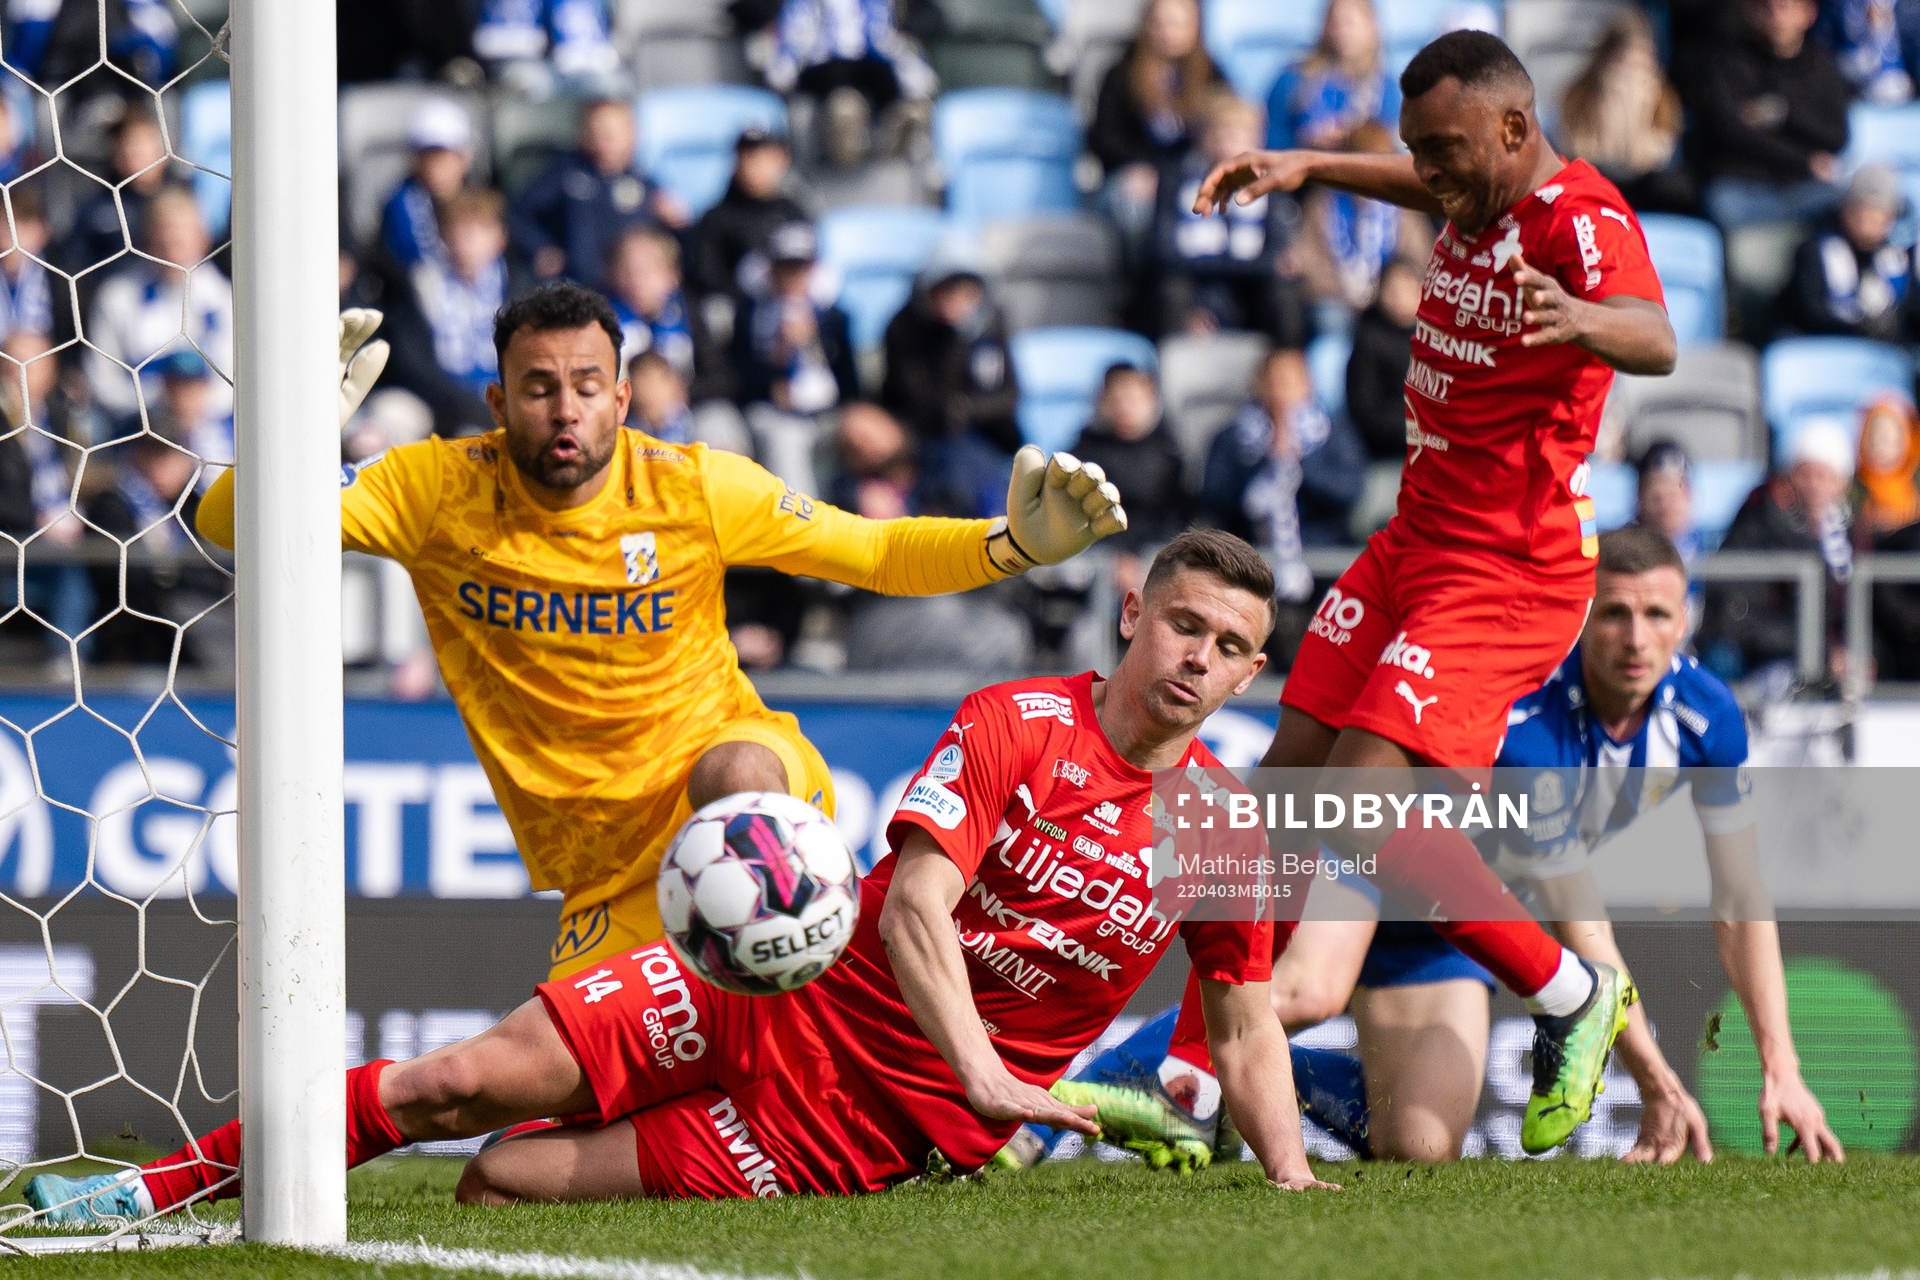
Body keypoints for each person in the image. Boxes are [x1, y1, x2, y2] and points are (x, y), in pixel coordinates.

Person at [26, 530, 1338, 1222]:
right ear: (1132, 612)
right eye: (1184, 622)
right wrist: (993, 1075)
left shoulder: (1221, 824)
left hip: (856, 1127)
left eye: (1230, 647)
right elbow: (918, 911)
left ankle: (544, 1140)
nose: (1199, 657)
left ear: (1247, 673)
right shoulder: (1016, 723)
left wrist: (1289, 1175)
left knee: (497, 1185)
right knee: (449, 1083)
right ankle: (140, 1192)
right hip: (773, 987)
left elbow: (1243, 1019)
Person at [1080, 29, 1679, 1162]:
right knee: (1277, 797)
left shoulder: (1582, 220)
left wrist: (1581, 321)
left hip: (1506, 572)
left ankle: (1571, 991)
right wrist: (1309, 164)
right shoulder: (1472, 185)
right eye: (1418, 151)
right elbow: (1421, 179)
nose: (1429, 173)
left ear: (1514, 128)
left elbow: (1656, 336)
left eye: (1444, 149)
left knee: (1354, 810)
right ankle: (1191, 1076)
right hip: (1413, 545)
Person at [184, 284, 1125, 978]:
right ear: (498, 405)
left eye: (587, 386)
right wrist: (287, 438)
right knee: (516, 1139)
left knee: (735, 771)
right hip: (602, 875)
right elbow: (229, 523)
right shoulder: (432, 489)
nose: (565, 410)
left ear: (623, 398)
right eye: (538, 388)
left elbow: (873, 551)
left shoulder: (692, 487)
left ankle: (830, 1012)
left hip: (732, 787)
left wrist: (1010, 546)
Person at [1047, 528, 1843, 1168]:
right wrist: (1657, 1082)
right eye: (1613, 614)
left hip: (1455, 926)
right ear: (1581, 616)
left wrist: (1783, 1067)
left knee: (1421, 1147)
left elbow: (1742, 899)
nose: (1636, 638)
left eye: (1658, 615)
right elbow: (1580, 925)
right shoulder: (1532, 720)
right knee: (1303, 990)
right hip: (1369, 856)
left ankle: (1244, 1093)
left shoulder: (1707, 717)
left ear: (1687, 618)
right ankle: (1071, 1103)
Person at [1201, 345, 1365, 618]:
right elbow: (1215, 496)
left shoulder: (1333, 435)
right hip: (1252, 559)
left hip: (1322, 559)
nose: (1282, 391)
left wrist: (1299, 464)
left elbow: (1348, 492)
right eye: (1274, 381)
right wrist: (1262, 466)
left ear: (1308, 385)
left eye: (1290, 381)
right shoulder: (1233, 438)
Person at [1700, 421, 1854, 682]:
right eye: (1805, 474)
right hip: (1758, 653)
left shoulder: (1849, 536)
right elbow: (1741, 614)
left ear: (1841, 483)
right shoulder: (1760, 521)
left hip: (1803, 652)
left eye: (1824, 476)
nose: (1814, 485)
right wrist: (1824, 653)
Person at [878, 242, 1021, 517]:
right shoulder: (904, 328)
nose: (957, 300)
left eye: (967, 292)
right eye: (948, 290)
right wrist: (953, 340)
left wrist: (967, 408)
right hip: (922, 440)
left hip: (986, 439)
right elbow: (916, 400)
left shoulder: (992, 325)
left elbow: (1009, 395)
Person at [1153, 93, 1308, 345]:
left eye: (1238, 135)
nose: (1228, 144)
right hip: (1194, 283)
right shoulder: (1177, 180)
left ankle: (1286, 358)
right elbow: (1165, 251)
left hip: (1249, 289)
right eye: (1221, 134)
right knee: (1172, 290)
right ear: (1204, 137)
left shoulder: (1270, 184)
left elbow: (1277, 256)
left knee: (1283, 293)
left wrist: (1242, 266)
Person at [382, 189, 531, 438]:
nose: (465, 242)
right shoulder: (421, 282)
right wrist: (463, 402)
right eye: (457, 231)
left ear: (500, 237)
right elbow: (412, 360)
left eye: (476, 231)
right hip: (436, 399)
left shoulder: (520, 287)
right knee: (387, 418)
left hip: (505, 397)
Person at [1691, 0, 1851, 230]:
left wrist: (1783, 112)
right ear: (1751, 12)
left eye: (1785, 7)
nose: (1776, 16)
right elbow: (1732, 132)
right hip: (1743, 187)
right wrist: (1805, 160)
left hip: (1805, 187)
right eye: (1767, 7)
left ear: (1808, 14)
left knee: (1852, 202)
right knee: (1722, 204)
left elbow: (1836, 136)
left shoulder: (1823, 65)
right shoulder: (1728, 62)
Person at [83, 186, 234, 425]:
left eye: (180, 240)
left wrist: (198, 404)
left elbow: (236, 381)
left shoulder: (225, 299)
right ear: (148, 241)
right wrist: (160, 402)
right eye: (163, 240)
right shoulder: (118, 296)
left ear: (203, 239)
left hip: (213, 428)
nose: (172, 250)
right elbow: (102, 380)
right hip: (139, 429)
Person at [1087, 0, 1227, 254]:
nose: (1168, 32)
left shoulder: (1211, 75)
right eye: (1161, 24)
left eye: (1177, 24)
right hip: (1133, 175)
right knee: (1135, 207)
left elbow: (1227, 125)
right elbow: (1105, 140)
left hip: (1190, 174)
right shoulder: (1121, 74)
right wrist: (1141, 168)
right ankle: (1141, 276)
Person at [509, 97, 687, 285]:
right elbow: (517, 215)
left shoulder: (645, 185)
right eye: (594, 133)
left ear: (631, 135)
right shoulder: (565, 174)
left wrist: (677, 224)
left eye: (609, 134)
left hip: (624, 290)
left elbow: (668, 243)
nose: (601, 142)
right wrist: (540, 248)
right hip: (576, 284)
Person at [1556, 10, 1692, 214]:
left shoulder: (1663, 96)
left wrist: (1639, 110)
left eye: (1641, 64)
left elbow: (1658, 155)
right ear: (1606, 59)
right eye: (1623, 63)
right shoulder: (1579, 95)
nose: (1632, 74)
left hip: (1645, 183)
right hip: (1597, 177)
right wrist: (1614, 104)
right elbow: (1578, 150)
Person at [1782, 164, 1919, 341]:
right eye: (1865, 212)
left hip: (1884, 350)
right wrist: (1861, 327)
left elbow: (1910, 308)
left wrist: (1893, 324)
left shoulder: (1898, 258)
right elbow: (1810, 313)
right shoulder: (1814, 252)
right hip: (1828, 345)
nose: (1873, 221)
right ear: (1846, 212)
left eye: (1882, 214)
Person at [691, 128, 811, 299]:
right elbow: (709, 281)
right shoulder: (717, 220)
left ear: (781, 159)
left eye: (761, 156)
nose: (752, 165)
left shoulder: (793, 213)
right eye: (746, 155)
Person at [1266, 0, 1399, 152]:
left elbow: (1390, 146)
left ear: (1370, 27)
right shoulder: (1293, 79)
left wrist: (1351, 139)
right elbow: (1271, 139)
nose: (1342, 31)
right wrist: (1307, 141)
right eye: (1335, 23)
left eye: (1350, 23)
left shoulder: (1385, 89)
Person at [378, 99, 476, 273]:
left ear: (464, 159)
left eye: (443, 155)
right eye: (428, 155)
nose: (435, 165)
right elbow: (416, 262)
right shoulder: (402, 204)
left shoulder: (478, 200)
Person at [1343, 257, 1419, 459]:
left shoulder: (1437, 339)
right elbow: (1365, 410)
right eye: (1392, 290)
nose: (1399, 298)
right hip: (1386, 453)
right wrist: (1416, 431)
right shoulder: (1368, 341)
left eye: (1407, 289)